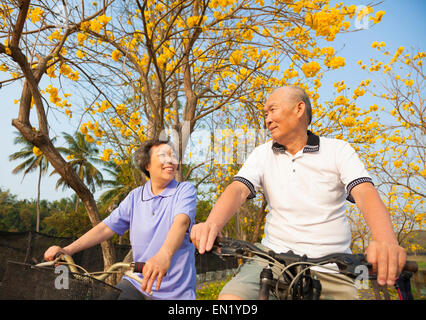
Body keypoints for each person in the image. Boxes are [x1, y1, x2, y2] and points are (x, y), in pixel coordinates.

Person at [190, 86, 407, 300]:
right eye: (265, 114)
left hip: (332, 269)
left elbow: (364, 192)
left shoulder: (338, 150)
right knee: (230, 299)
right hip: (271, 260)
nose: (267, 119)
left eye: (272, 110)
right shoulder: (262, 154)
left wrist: (385, 240)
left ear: (299, 108)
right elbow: (237, 189)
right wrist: (212, 224)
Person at [44, 138, 197, 300]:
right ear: (147, 165)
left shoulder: (184, 190)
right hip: (137, 283)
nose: (170, 160)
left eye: (172, 156)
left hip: (175, 293)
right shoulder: (135, 197)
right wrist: (67, 250)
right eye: (162, 156)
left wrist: (164, 255)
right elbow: (106, 228)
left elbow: (181, 222)